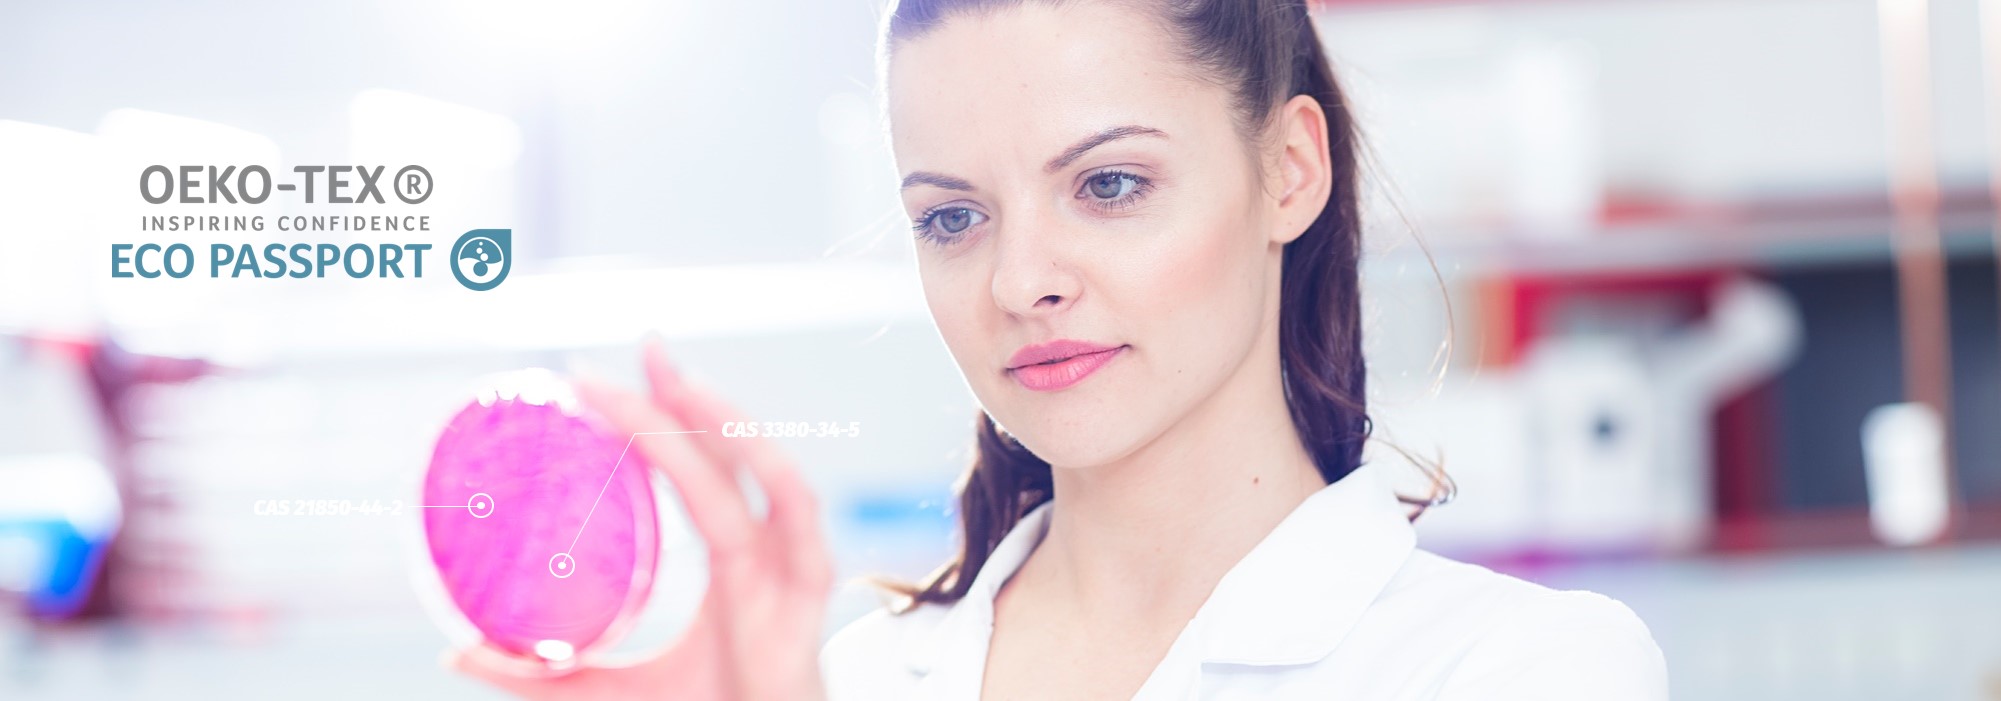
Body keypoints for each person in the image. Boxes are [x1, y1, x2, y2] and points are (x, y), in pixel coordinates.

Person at [449, 0, 1670, 698]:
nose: (1019, 279)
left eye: (1110, 184)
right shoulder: (855, 678)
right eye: (953, 218)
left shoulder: (1522, 666)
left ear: (1290, 169)